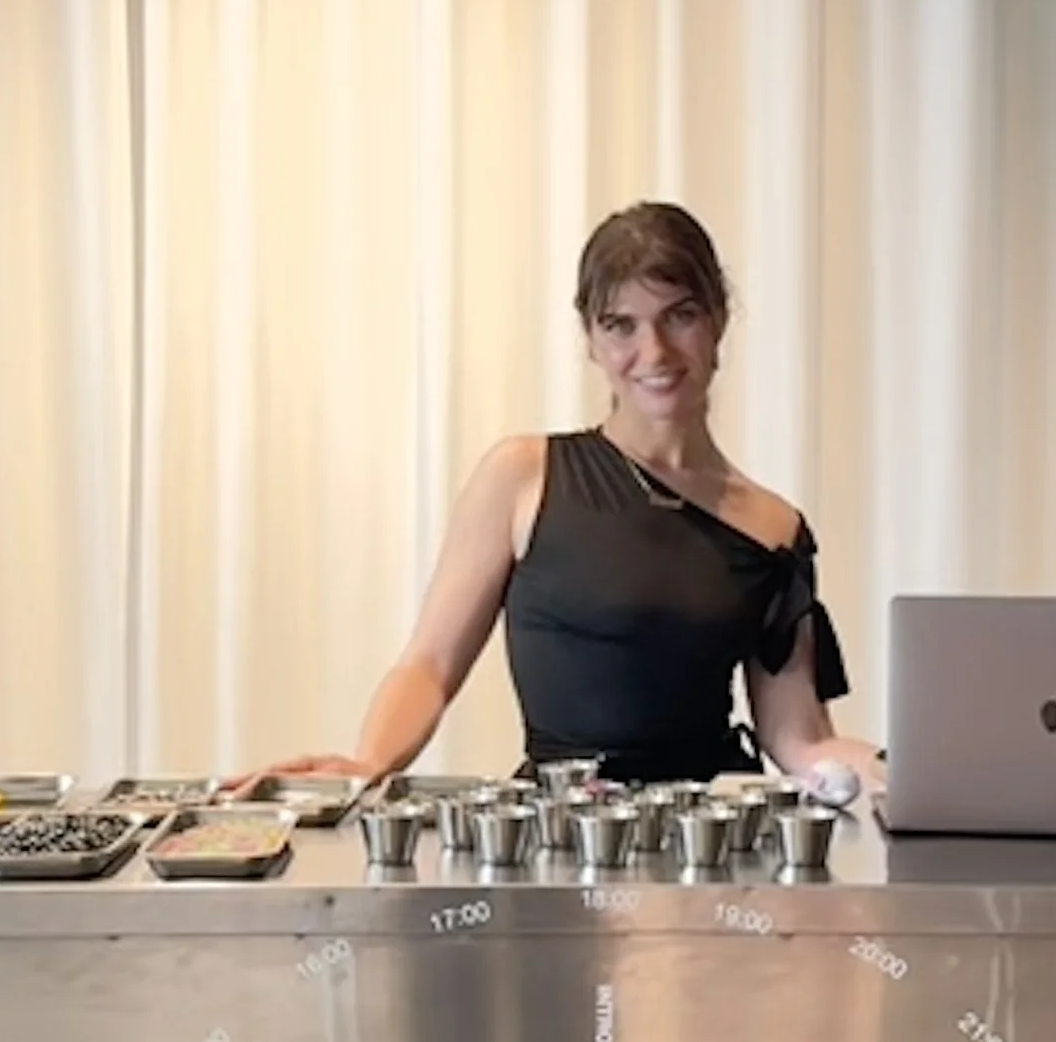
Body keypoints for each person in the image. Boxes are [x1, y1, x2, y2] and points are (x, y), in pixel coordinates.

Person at [256, 202, 880, 793]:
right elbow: (429, 665)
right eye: (622, 326)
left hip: (706, 853)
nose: (654, 352)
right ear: (591, 339)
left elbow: (800, 742)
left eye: (680, 316)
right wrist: (368, 765)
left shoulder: (774, 527)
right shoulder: (523, 476)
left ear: (719, 318)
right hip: (561, 843)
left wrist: (914, 770)